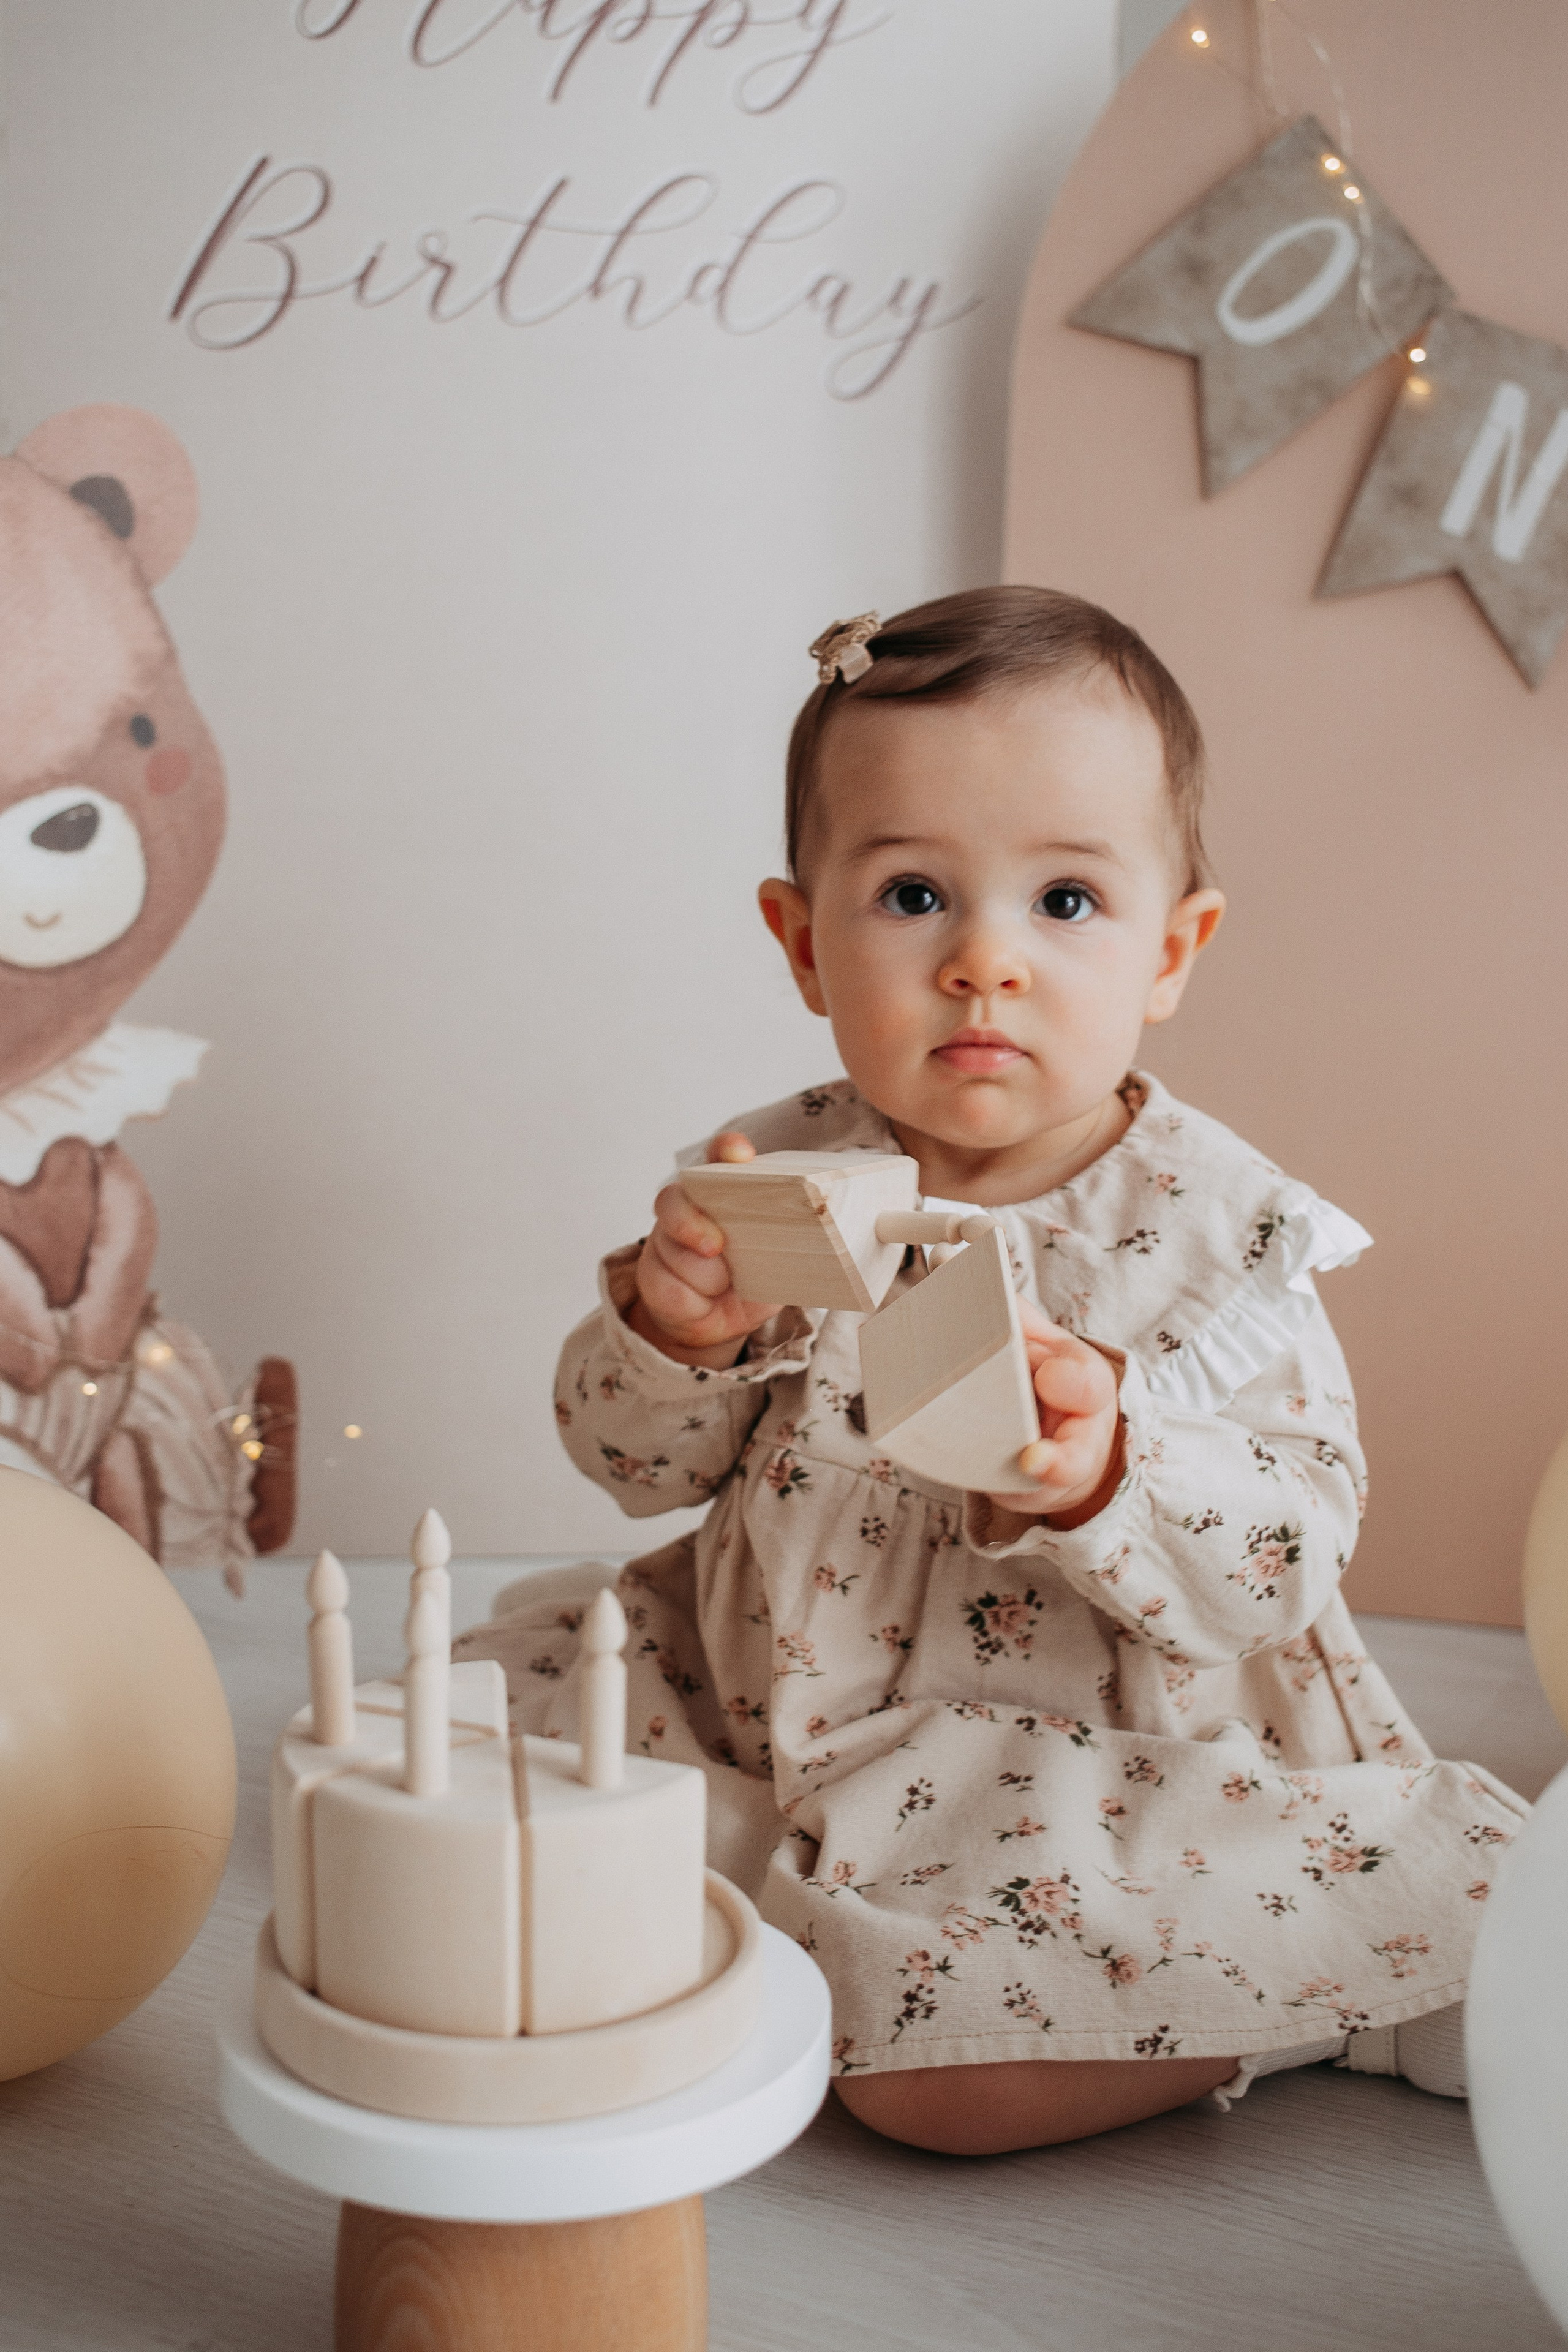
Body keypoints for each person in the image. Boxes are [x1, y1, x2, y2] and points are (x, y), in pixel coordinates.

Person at [459, 586, 1523, 2152]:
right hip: (775, 1698)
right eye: (908, 896)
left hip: (1073, 1761)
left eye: (1065, 905)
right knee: (448, 1781)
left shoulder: (1216, 1239)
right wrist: (672, 1342)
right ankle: (795, 1880)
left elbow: (1291, 1547)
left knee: (931, 2090)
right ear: (799, 941)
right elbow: (632, 1469)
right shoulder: (776, 1178)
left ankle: (1328, 1974)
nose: (981, 965)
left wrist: (1106, 1471)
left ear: (1173, 948)